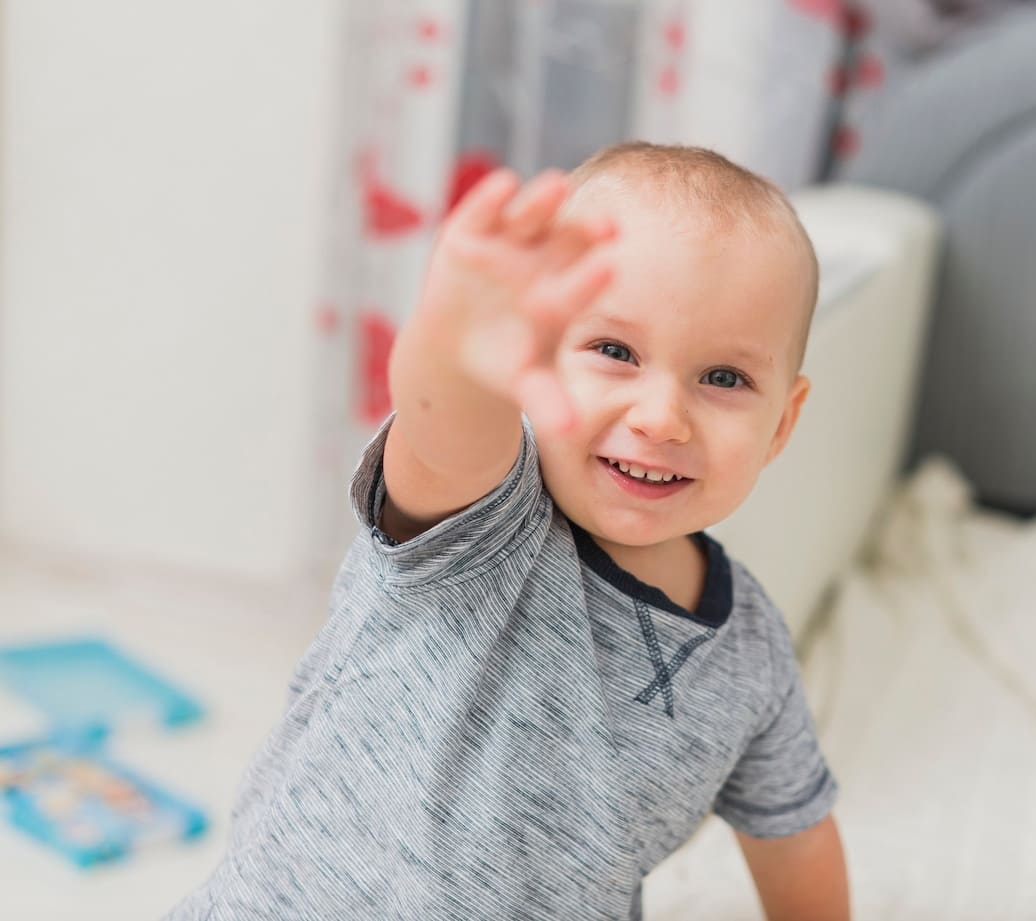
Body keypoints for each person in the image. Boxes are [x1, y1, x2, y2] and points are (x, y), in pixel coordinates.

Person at [167, 142, 848, 920]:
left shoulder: (751, 649)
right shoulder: (491, 521)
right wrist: (458, 350)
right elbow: (442, 428)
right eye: (614, 351)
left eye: (723, 378)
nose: (661, 418)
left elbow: (796, 831)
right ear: (529, 352)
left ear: (782, 421)